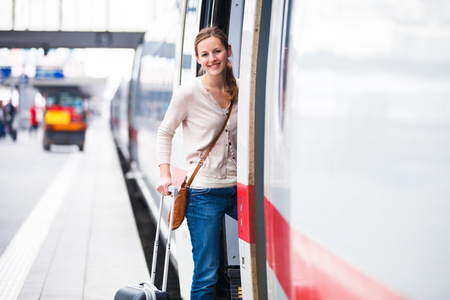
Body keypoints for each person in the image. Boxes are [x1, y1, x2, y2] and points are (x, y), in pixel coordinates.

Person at [156, 26, 238, 299]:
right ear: (198, 59)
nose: (212, 58)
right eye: (205, 54)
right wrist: (165, 174)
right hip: (204, 193)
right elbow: (165, 132)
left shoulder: (241, 89)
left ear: (228, 51)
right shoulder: (188, 93)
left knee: (265, 253)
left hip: (239, 188)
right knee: (207, 272)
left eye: (217, 51)